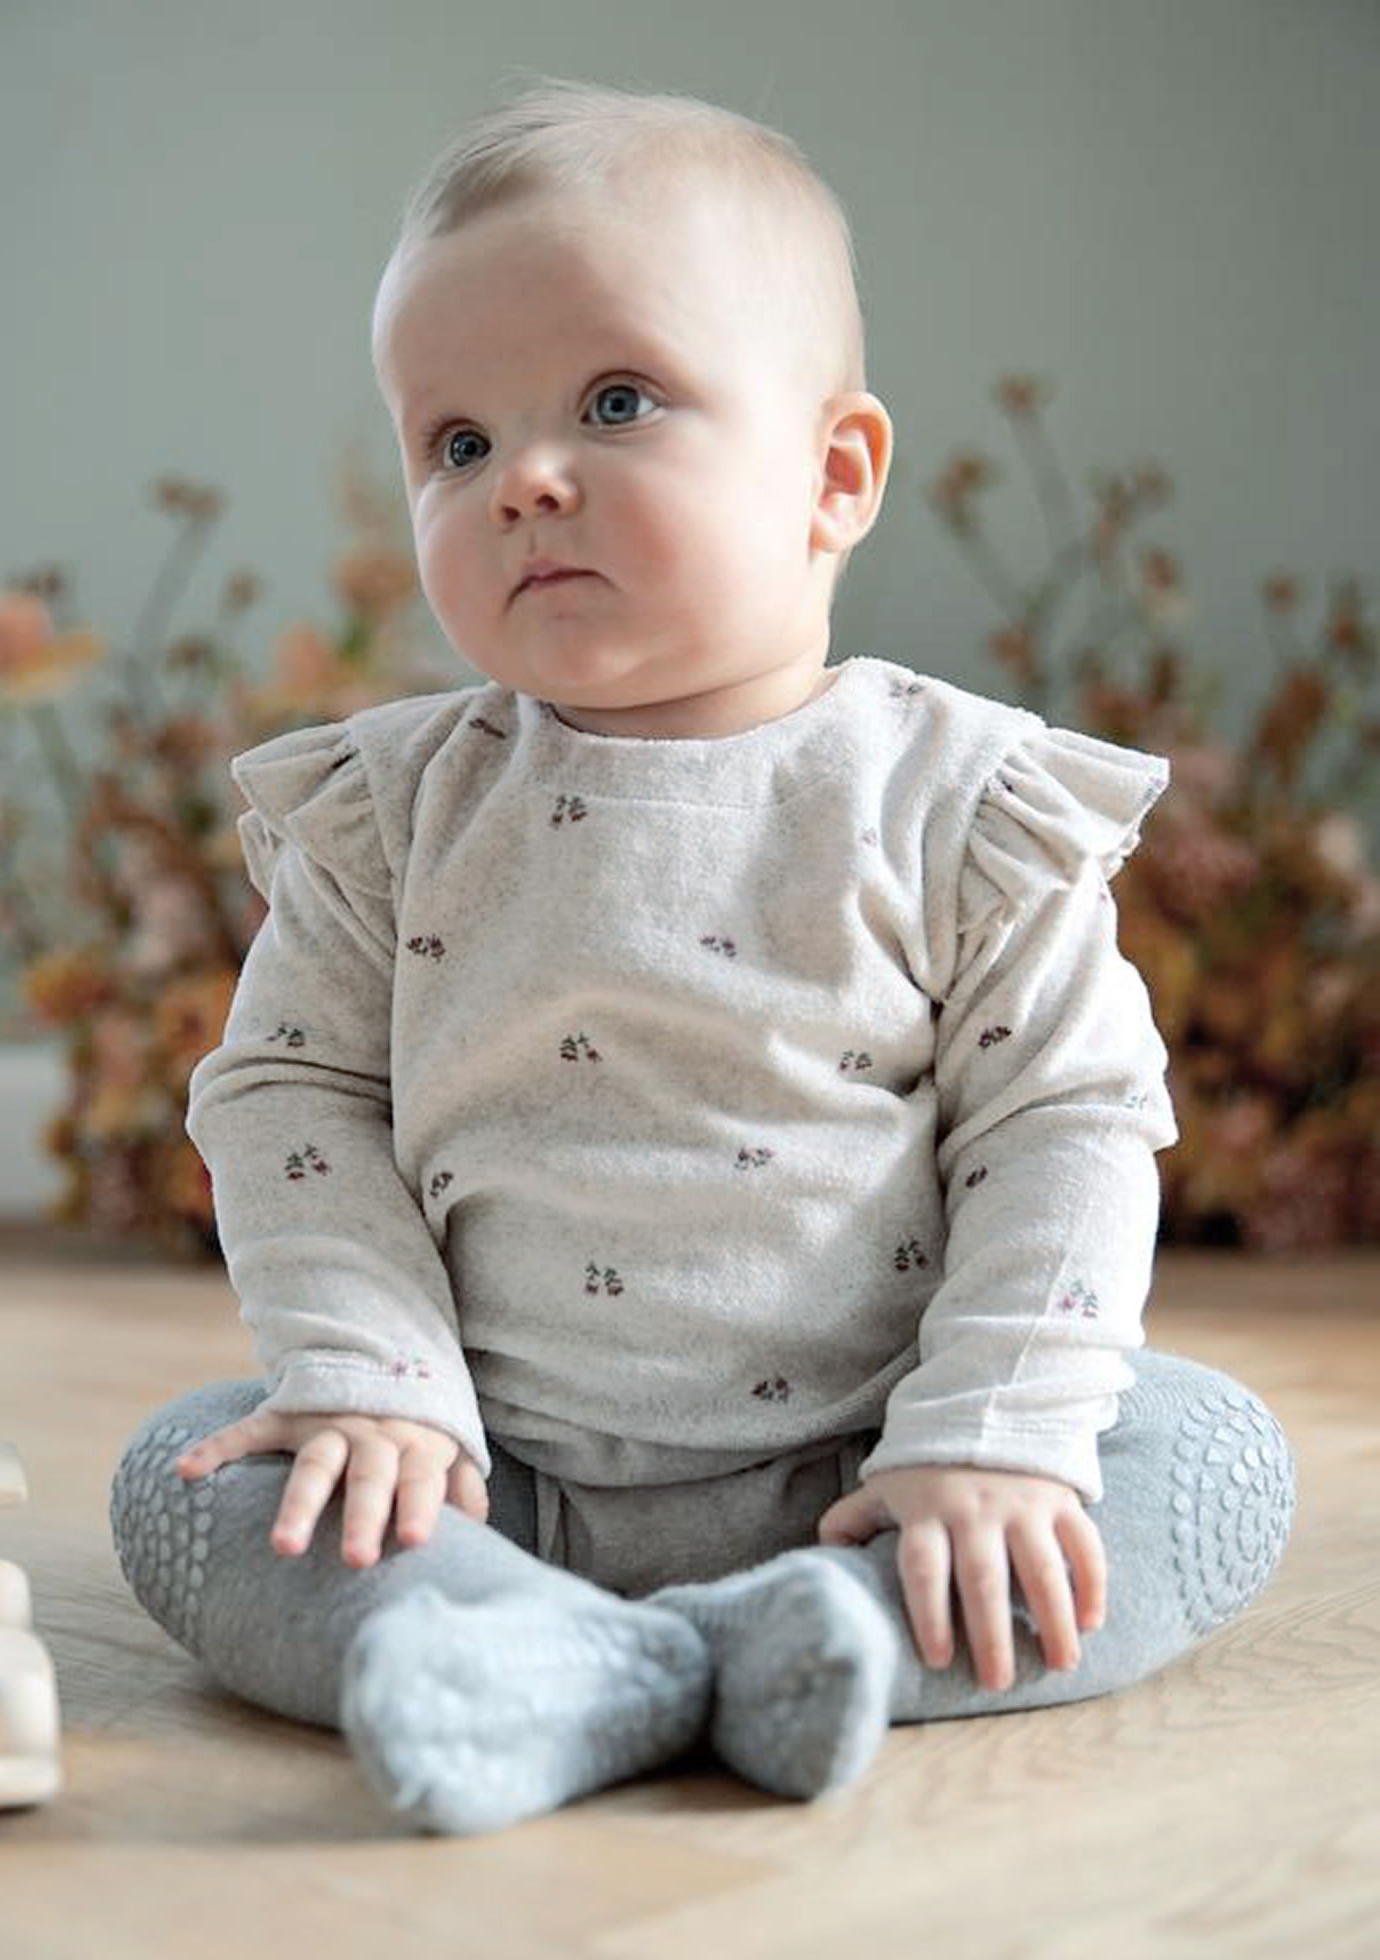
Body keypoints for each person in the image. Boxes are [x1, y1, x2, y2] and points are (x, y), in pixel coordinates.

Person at [110, 77, 1295, 1836]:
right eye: (455, 443)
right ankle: (573, 1645)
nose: (524, 480)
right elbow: (292, 1100)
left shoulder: (963, 805)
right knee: (185, 1479)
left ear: (834, 475)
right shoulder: (388, 817)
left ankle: (807, 1630)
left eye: (616, 402)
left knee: (1208, 1459)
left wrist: (988, 1436)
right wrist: (371, 1385)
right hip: (491, 1475)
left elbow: (1065, 1121)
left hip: (878, 1466)